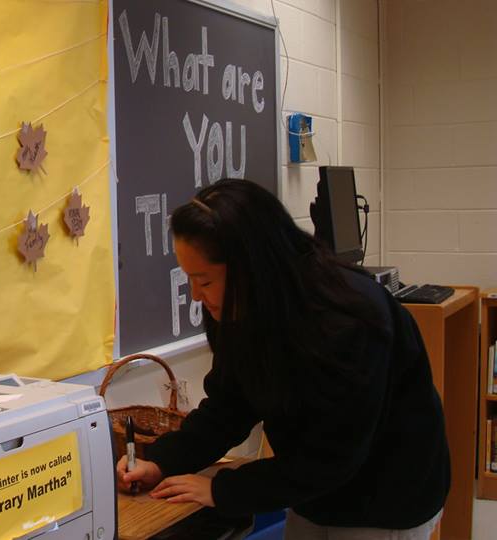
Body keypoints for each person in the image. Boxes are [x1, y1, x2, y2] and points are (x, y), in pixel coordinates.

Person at [116, 179, 449, 539]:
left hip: (386, 499)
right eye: (190, 280)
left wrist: (223, 489)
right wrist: (161, 462)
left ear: (252, 268)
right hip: (315, 490)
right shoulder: (240, 307)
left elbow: (332, 457)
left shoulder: (350, 318)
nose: (196, 295)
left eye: (205, 281)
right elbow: (228, 407)